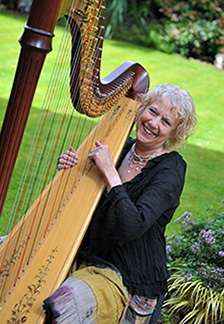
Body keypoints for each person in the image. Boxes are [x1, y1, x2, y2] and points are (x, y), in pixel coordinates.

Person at [43, 84, 197, 324]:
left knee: (63, 306)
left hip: (128, 274)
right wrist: (71, 168)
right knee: (1, 253)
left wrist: (109, 173)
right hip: (86, 255)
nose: (154, 124)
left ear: (174, 133)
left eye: (166, 122)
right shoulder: (119, 146)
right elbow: (80, 197)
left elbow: (132, 225)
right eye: (153, 112)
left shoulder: (171, 169)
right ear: (141, 108)